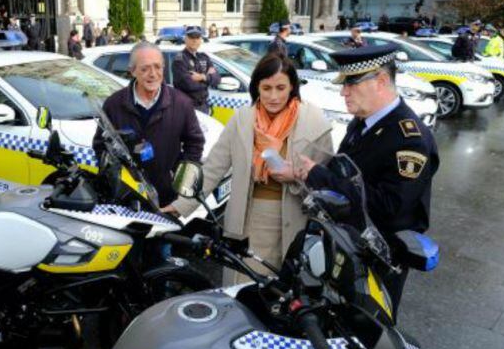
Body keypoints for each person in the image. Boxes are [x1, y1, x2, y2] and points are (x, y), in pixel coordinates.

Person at [163, 53, 333, 285]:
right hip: (246, 222)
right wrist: (180, 205)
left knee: (282, 297)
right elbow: (214, 166)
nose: (273, 96)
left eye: (281, 88)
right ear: (257, 88)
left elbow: (327, 182)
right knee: (245, 294)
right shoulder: (242, 119)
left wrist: (295, 176)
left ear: (292, 86)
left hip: (294, 222)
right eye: (266, 88)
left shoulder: (314, 121)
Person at [296, 44, 439, 319]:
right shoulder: (363, 122)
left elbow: (388, 207)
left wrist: (318, 175)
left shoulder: (410, 139)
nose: (343, 91)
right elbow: (347, 172)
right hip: (349, 246)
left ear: (382, 81)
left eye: (352, 83)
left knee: (370, 331)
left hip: (379, 258)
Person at [93, 42, 204, 207]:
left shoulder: (182, 103)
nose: (153, 74)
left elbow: (195, 143)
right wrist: (118, 174)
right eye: (145, 69)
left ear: (164, 68)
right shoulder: (114, 104)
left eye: (157, 67)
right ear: (132, 71)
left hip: (167, 199)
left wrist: (179, 178)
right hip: (125, 198)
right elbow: (100, 145)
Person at [171, 25, 220, 114]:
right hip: (187, 109)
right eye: (191, 37)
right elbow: (189, 85)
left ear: (200, 40)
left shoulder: (204, 57)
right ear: (185, 39)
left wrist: (202, 77)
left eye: (197, 37)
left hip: (204, 106)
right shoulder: (180, 59)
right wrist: (208, 80)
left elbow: (217, 79)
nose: (194, 40)